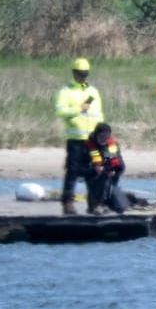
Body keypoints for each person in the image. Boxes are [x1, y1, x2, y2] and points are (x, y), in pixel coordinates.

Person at [55, 57, 104, 215]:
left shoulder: (93, 92)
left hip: (92, 141)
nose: (82, 77)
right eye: (79, 74)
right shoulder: (66, 91)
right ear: (74, 73)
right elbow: (60, 111)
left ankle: (94, 204)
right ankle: (68, 203)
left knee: (95, 172)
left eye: (85, 74)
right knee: (72, 172)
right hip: (76, 140)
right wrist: (78, 109)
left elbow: (99, 115)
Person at [85, 122, 127, 214]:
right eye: (101, 136)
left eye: (105, 137)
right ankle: (96, 204)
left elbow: (117, 163)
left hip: (109, 169)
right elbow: (83, 164)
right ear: (96, 135)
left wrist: (112, 170)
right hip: (92, 171)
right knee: (97, 179)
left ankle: (107, 202)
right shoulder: (89, 144)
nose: (103, 139)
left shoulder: (112, 146)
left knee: (108, 180)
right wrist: (94, 167)